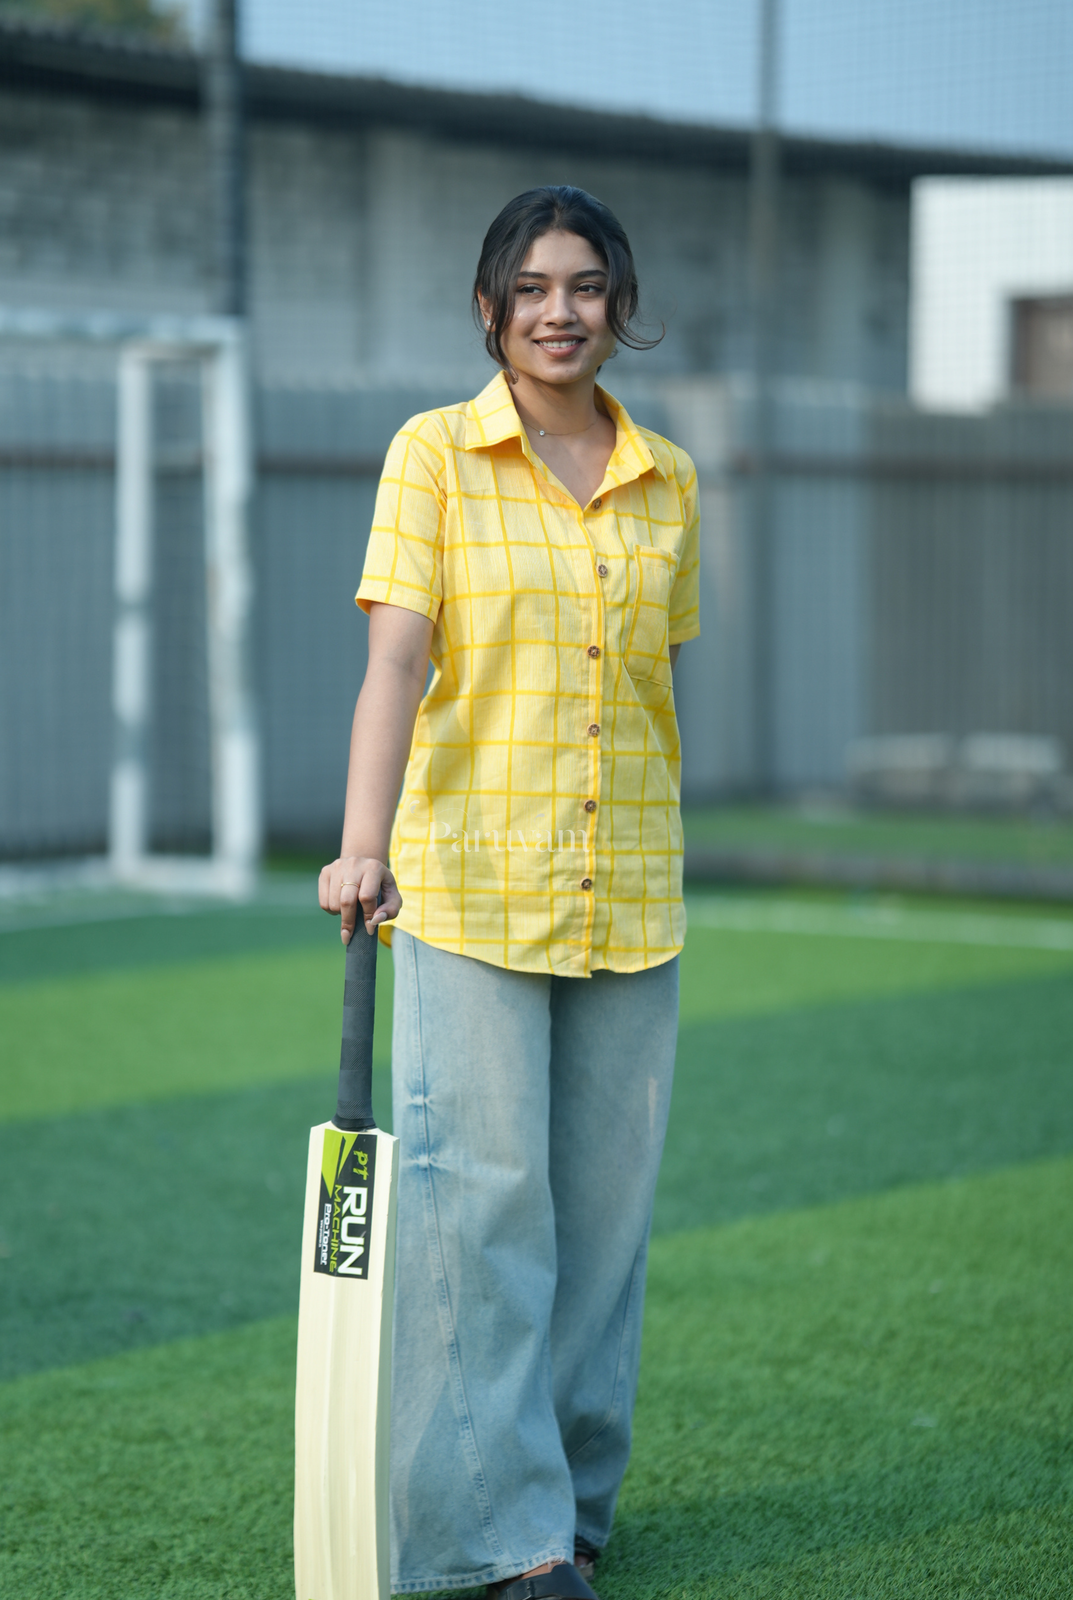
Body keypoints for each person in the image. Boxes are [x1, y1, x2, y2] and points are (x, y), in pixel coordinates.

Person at [319, 185, 700, 1600]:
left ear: (619, 309)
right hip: (470, 886)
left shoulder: (668, 480)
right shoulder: (433, 455)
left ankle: (575, 1509)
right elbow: (397, 665)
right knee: (482, 1210)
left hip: (630, 895)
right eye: (531, 286)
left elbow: (649, 696)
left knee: (603, 1228)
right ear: (489, 308)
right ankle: (502, 1542)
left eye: (587, 286)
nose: (560, 311)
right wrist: (366, 845)